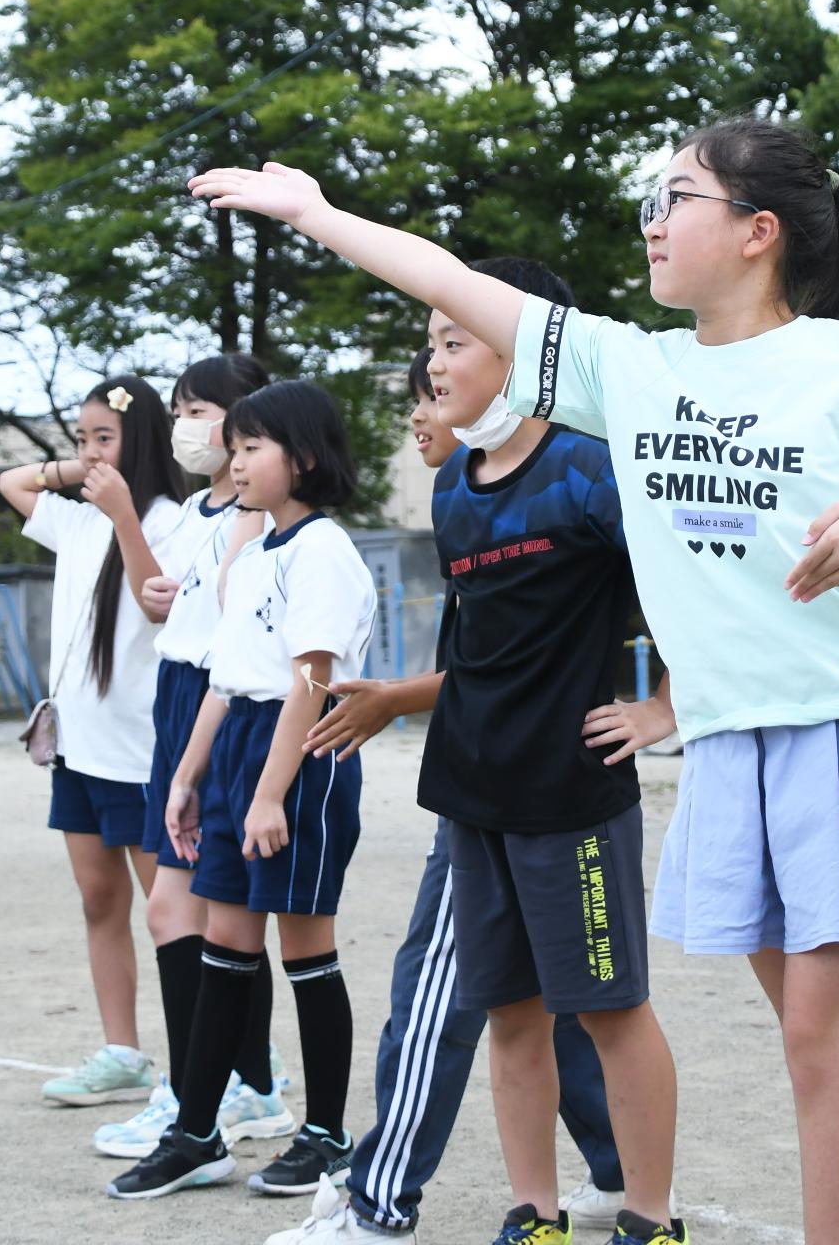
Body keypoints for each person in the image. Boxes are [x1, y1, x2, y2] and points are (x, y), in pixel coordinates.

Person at [189, 124, 839, 1245]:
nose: (653, 219)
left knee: (823, 1042)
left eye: (677, 196)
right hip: (735, 745)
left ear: (754, 231)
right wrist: (315, 212)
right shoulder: (631, 366)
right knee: (838, 1040)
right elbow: (449, 279)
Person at [266, 329, 632, 1245]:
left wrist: (668, 704)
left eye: (443, 364)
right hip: (477, 778)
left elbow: (675, 600)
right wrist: (399, 697)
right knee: (544, 997)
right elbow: (487, 667)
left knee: (449, 990)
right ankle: (612, 1167)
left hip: (546, 789)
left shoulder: (584, 475)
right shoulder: (457, 498)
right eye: (416, 385)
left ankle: (378, 1199)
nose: (423, 406)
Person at [106, 379, 376, 1201]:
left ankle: (327, 1134)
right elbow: (225, 681)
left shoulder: (323, 547)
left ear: (303, 457)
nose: (236, 458)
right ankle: (196, 1134)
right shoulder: (251, 550)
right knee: (223, 947)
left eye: (252, 445)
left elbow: (308, 681)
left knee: (305, 951)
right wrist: (188, 779)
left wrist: (267, 795)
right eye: (236, 444)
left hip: (301, 752)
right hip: (238, 751)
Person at [93, 351, 295, 1161]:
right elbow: (159, 605)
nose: (186, 425)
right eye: (179, 408)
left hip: (220, 702)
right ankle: (217, 1089)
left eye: (200, 409)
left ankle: (218, 1091)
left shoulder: (252, 516)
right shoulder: (197, 511)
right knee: (185, 911)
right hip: (184, 699)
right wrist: (133, 534)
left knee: (204, 911)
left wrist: (126, 525)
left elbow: (233, 624)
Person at [0, 374, 186, 1108]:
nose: (88, 453)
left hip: (139, 755)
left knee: (171, 913)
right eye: (81, 438)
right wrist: (83, 470)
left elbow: (160, 604)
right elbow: (14, 479)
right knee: (97, 901)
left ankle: (226, 1059)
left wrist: (123, 514)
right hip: (77, 749)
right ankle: (123, 1053)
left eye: (103, 437)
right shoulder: (75, 518)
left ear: (140, 441)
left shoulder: (173, 518)